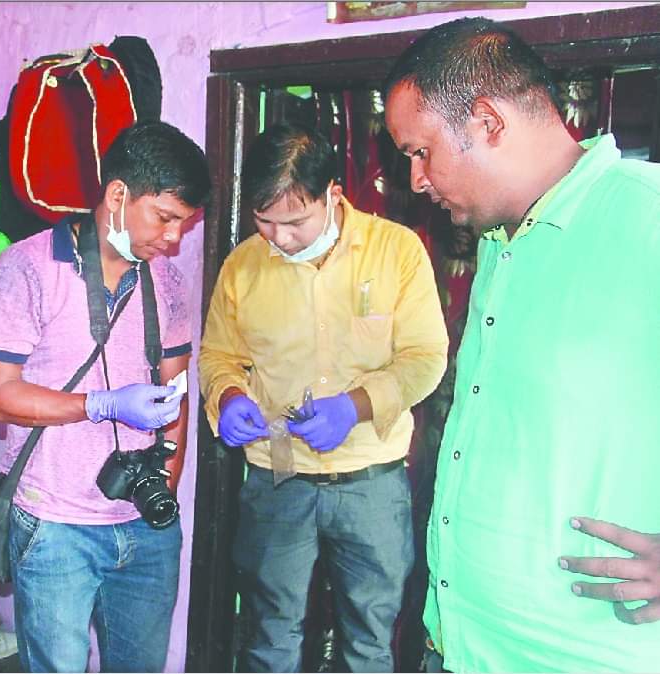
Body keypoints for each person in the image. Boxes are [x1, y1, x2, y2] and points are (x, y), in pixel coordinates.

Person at [383, 17, 660, 671]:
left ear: (484, 121)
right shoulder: (496, 242)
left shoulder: (644, 219)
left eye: (420, 151)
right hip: (454, 644)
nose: (416, 179)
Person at [199, 122, 448, 672]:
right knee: (270, 634)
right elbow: (218, 356)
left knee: (369, 637)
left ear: (333, 193)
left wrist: (354, 406)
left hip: (371, 482)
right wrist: (231, 395)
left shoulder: (396, 251)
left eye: (294, 221)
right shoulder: (243, 265)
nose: (279, 238)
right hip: (277, 478)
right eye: (265, 222)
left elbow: (426, 358)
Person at [0, 120, 210, 672]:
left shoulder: (166, 281)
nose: (174, 238)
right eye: (166, 217)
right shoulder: (27, 269)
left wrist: (164, 491)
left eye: (185, 222)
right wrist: (100, 404)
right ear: (119, 194)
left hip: (145, 526)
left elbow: (176, 395)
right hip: (56, 527)